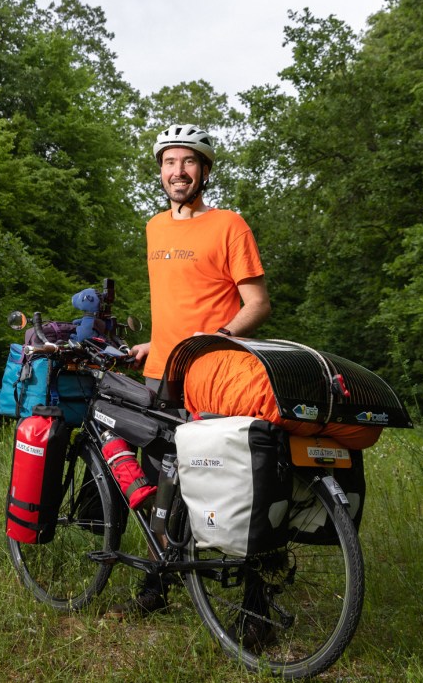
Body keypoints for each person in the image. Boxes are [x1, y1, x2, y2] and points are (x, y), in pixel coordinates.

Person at [108, 122, 271, 618]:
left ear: (204, 170)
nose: (178, 171)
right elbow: (178, 302)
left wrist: (216, 338)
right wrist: (154, 342)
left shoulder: (229, 225)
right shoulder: (155, 227)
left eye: (189, 161)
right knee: (160, 477)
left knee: (229, 481)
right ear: (160, 171)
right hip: (161, 372)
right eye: (170, 162)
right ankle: (158, 580)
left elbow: (257, 303)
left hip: (213, 374)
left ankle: (255, 598)